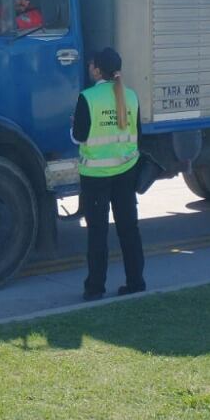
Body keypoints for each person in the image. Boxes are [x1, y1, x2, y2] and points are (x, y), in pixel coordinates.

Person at [72, 47, 145, 301]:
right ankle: (136, 282)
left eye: (92, 65)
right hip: (126, 171)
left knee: (98, 233)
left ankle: (95, 288)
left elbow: (79, 136)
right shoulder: (132, 97)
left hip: (96, 176)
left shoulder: (88, 98)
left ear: (97, 70)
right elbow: (138, 136)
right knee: (129, 229)